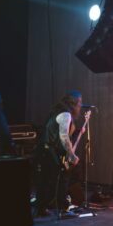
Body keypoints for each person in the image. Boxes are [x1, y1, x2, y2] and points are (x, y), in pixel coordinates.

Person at [35, 90, 88, 218]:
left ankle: (42, 208)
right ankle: (63, 209)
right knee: (63, 177)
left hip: (45, 150)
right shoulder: (65, 114)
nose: (81, 105)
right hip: (49, 150)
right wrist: (72, 155)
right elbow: (64, 137)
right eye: (80, 102)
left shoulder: (58, 111)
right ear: (74, 103)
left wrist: (78, 132)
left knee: (48, 180)